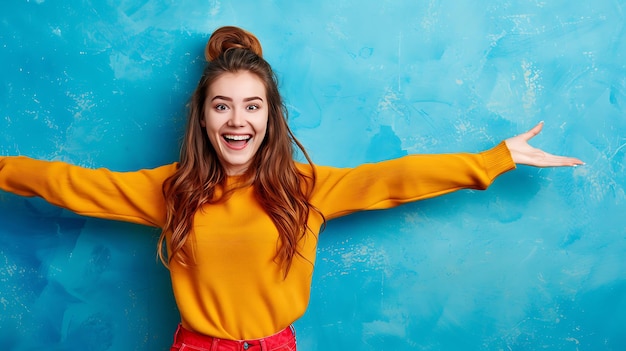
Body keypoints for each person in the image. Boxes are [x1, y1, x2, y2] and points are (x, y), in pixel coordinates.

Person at [0, 26, 583, 351]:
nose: (237, 120)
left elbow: (396, 179)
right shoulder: (170, 191)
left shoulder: (307, 189)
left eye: (251, 106)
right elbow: (69, 185)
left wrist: (496, 158)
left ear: (270, 117)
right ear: (202, 117)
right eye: (221, 106)